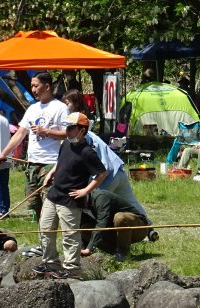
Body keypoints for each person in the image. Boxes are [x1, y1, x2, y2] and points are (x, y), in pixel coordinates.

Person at [62, 90, 154, 238]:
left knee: (97, 206)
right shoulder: (87, 133)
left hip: (107, 175)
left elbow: (97, 168)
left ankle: (101, 237)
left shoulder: (84, 137)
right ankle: (149, 227)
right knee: (131, 203)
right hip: (117, 170)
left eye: (69, 128)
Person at [32, 112, 107, 280]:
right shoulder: (66, 143)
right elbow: (60, 161)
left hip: (71, 199)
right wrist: (51, 172)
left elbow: (102, 173)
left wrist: (86, 191)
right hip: (54, 194)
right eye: (67, 127)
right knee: (45, 229)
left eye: (72, 128)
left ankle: (72, 269)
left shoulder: (87, 152)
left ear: (82, 130)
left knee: (70, 234)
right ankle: (50, 263)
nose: (68, 131)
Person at [0, 71, 68, 219]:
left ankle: (49, 239)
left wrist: (46, 131)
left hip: (50, 164)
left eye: (36, 86)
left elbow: (68, 134)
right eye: (31, 86)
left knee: (50, 208)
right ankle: (43, 240)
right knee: (35, 207)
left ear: (47, 87)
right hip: (32, 166)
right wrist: (4, 153)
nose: (33, 90)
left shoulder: (60, 108)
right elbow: (20, 134)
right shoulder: (32, 109)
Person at [81, 188, 149, 261]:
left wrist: (89, 248)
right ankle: (115, 253)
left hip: (139, 229)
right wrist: (82, 249)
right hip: (116, 232)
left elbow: (101, 224)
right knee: (84, 229)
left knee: (119, 217)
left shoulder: (100, 197)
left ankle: (124, 254)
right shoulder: (81, 206)